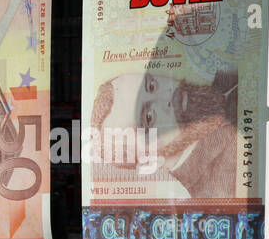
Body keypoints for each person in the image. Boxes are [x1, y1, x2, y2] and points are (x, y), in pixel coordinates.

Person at [90, 68, 238, 199]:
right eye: (149, 117)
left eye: (151, 86)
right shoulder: (222, 191)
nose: (166, 96)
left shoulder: (227, 70)